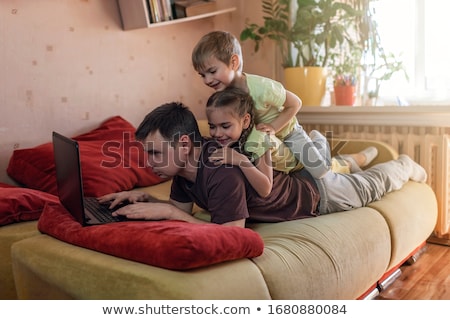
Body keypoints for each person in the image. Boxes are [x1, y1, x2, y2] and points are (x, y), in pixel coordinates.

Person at [98, 100, 427, 227]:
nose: (150, 163)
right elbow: (183, 214)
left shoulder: (220, 168)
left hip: (319, 196)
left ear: (184, 144)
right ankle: (343, 158)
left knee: (373, 185)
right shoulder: (183, 173)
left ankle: (404, 164)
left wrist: (167, 211)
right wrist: (146, 199)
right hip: (304, 181)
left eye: (155, 152)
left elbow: (231, 232)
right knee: (342, 168)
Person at [191, 30, 378, 178]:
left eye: (212, 71)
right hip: (268, 142)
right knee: (299, 172)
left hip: (288, 132)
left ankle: (318, 142)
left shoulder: (262, 87)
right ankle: (345, 161)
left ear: (233, 62)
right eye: (202, 75)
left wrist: (273, 126)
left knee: (320, 171)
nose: (207, 80)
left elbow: (295, 103)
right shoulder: (224, 96)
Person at [205, 87, 376, 198]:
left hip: (300, 167)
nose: (217, 133)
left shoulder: (257, 140)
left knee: (330, 168)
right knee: (335, 164)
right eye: (212, 126)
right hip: (291, 161)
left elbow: (265, 189)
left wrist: (239, 160)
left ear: (246, 121)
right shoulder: (232, 139)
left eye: (225, 126)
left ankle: (323, 143)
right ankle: (352, 159)